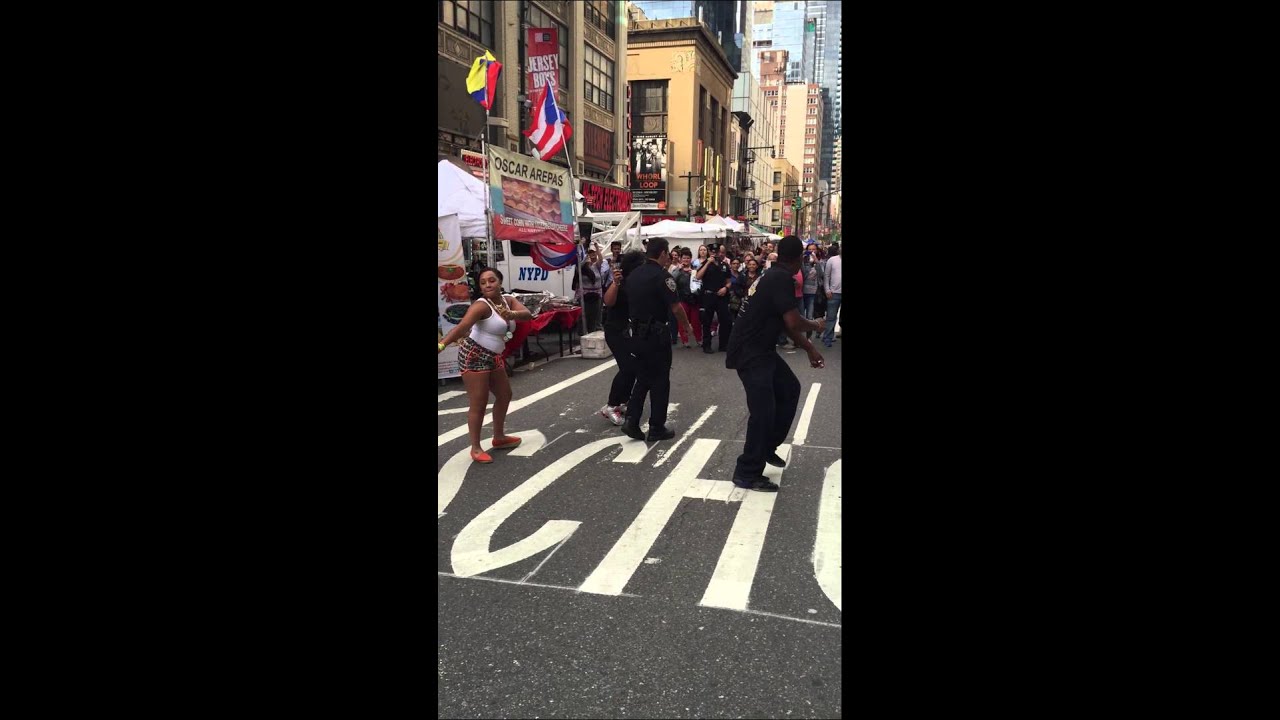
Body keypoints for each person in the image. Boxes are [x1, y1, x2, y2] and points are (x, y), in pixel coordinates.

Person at [725, 236, 826, 492]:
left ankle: (767, 447)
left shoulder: (774, 275)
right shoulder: (779, 278)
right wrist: (814, 326)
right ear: (798, 259)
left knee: (789, 389)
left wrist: (810, 348)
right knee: (763, 412)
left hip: (762, 350)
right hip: (750, 352)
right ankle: (746, 472)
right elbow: (793, 322)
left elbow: (784, 321)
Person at [438, 268, 534, 464]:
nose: (488, 285)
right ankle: (475, 447)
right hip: (474, 355)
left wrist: (511, 313)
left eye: (492, 280)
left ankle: (498, 437)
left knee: (505, 395)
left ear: (500, 282)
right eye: (483, 282)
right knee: (479, 403)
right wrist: (442, 344)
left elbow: (527, 315)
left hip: (494, 355)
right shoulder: (481, 306)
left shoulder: (507, 300)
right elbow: (462, 327)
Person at [623, 237, 695, 442]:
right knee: (660, 380)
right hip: (656, 334)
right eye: (668, 254)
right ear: (662, 253)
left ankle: (631, 419)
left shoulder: (634, 274)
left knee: (643, 377)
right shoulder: (663, 277)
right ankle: (656, 426)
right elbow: (676, 307)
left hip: (635, 332)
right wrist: (687, 326)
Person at [599, 250, 646, 425]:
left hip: (629, 330)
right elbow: (608, 301)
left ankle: (623, 402)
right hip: (615, 330)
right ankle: (611, 406)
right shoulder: (620, 281)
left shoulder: (637, 282)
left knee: (634, 368)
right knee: (627, 368)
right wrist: (616, 283)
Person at [695, 243, 734, 354]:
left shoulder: (724, 265)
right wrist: (708, 262)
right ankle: (706, 345)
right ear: (709, 252)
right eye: (712, 251)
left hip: (721, 296)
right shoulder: (705, 264)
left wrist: (726, 288)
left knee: (725, 320)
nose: (715, 253)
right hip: (708, 295)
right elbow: (698, 277)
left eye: (716, 251)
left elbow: (729, 281)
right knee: (707, 321)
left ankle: (723, 344)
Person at [671, 248, 703, 348]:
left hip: (694, 298)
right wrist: (679, 269)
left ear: (690, 259)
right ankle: (685, 340)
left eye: (688, 258)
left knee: (696, 321)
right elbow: (672, 279)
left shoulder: (695, 268)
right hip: (682, 298)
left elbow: (700, 280)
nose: (686, 260)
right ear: (681, 259)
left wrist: (693, 273)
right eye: (684, 258)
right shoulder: (677, 270)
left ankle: (699, 339)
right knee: (682, 320)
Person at [578, 246, 607, 333]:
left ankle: (593, 331)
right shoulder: (581, 269)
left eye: (593, 253)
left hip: (596, 295)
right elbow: (580, 265)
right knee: (584, 315)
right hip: (585, 296)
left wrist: (597, 248)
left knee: (595, 315)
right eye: (590, 253)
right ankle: (582, 333)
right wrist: (585, 257)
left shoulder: (595, 266)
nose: (592, 255)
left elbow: (601, 259)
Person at [821, 243, 842, 348]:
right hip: (834, 293)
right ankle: (828, 338)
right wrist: (827, 289)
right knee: (831, 317)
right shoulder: (832, 260)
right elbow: (826, 275)